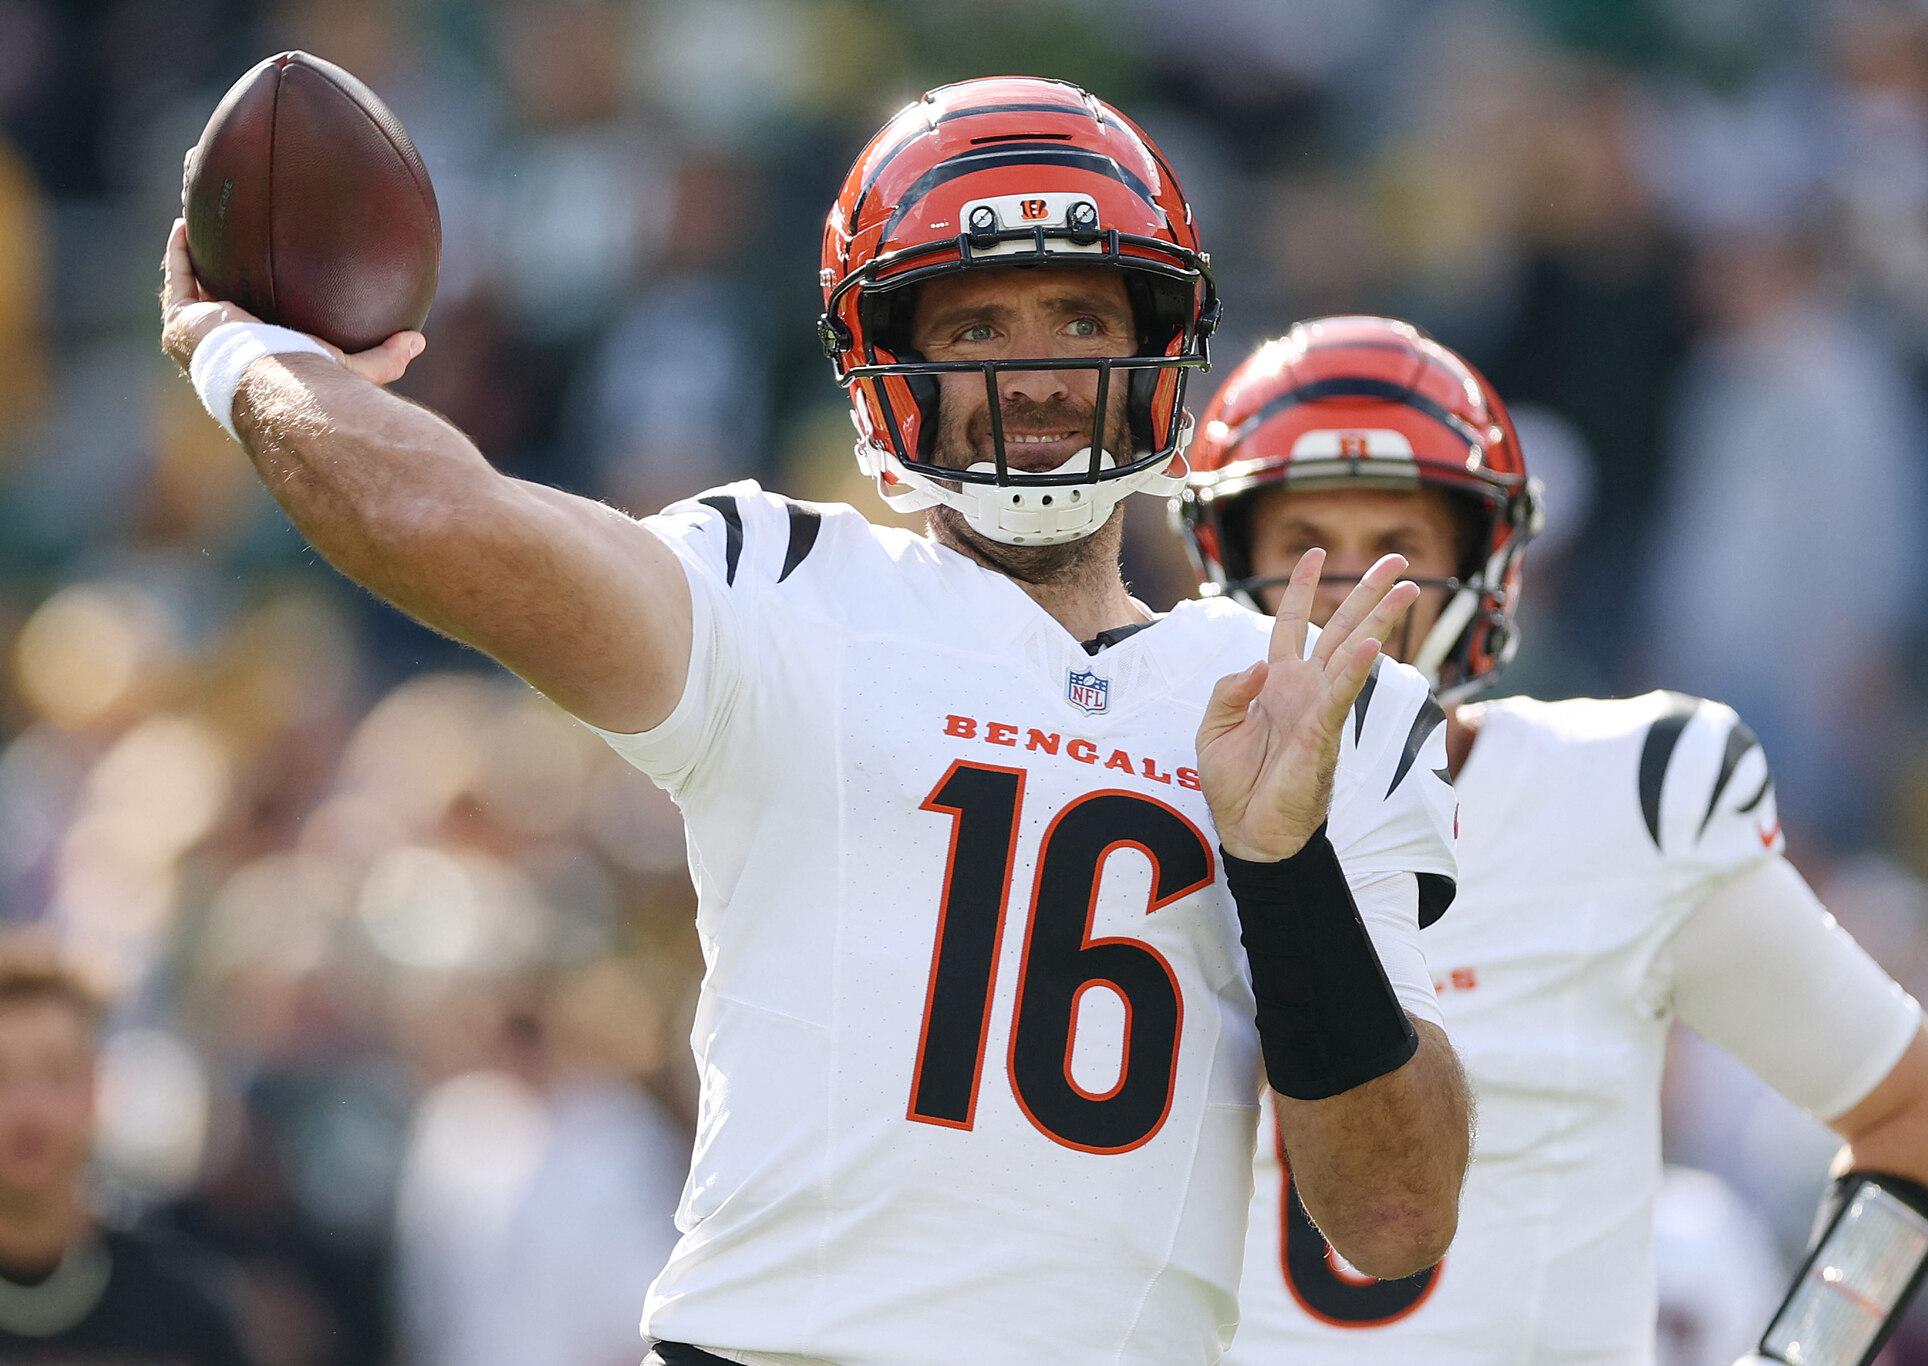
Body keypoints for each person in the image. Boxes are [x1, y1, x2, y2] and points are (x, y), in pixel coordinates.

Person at [159, 79, 1473, 1365]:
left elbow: (1393, 1218)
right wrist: (246, 351)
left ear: (1164, 341)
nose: (1040, 369)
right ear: (884, 361)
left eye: (1079, 311)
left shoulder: (1308, 693)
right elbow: (443, 521)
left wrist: (1282, 865)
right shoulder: (783, 584)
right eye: (976, 328)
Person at [1179, 315, 1928, 1365]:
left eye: (1395, 551)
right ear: (1222, 558)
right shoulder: (1135, 802)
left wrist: (1794, 1356)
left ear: (1479, 571)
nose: (1345, 598)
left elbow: (1924, 1122)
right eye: (1300, 548)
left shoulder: (1624, 799)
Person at [0, 943, 254, 1363]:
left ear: (97, 1089)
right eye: (1, 1077)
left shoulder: (185, 1306)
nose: (28, 1109)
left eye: (56, 1073)